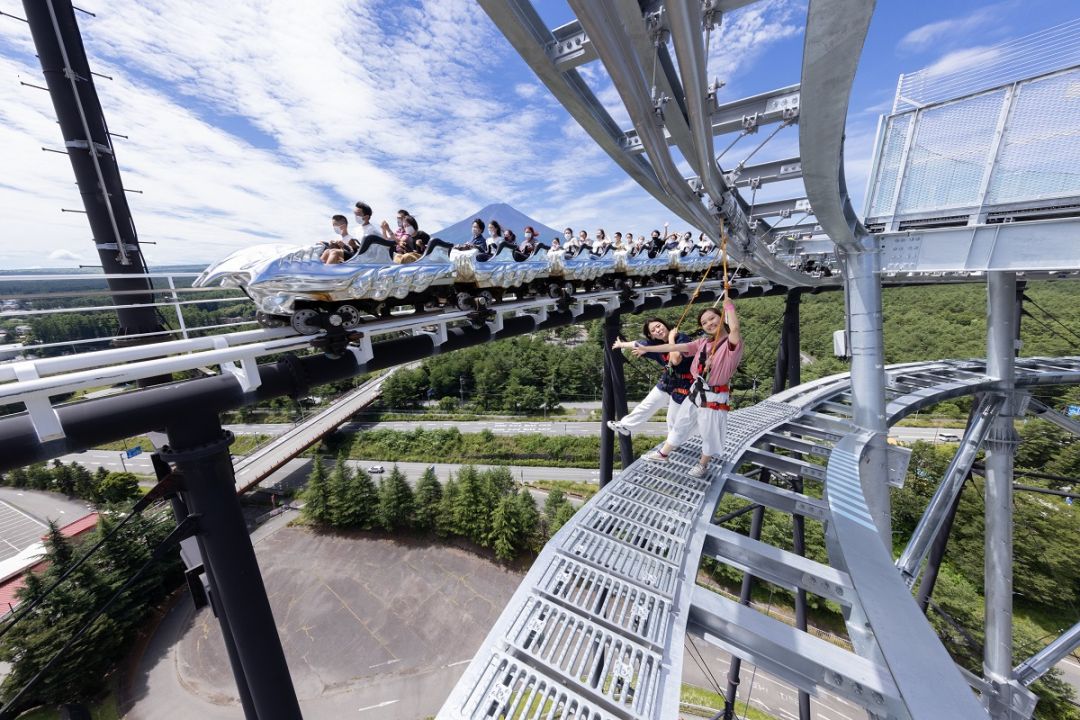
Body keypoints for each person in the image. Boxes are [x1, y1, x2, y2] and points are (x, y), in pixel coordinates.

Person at [616, 301, 743, 479]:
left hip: (714, 394)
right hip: (697, 389)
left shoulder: (730, 344)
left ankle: (702, 464)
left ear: (722, 318)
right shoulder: (702, 343)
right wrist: (646, 348)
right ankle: (663, 454)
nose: (709, 324)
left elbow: (735, 329)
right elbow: (672, 347)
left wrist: (729, 308)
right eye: (704, 322)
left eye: (712, 319)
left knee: (709, 431)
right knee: (681, 422)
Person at [608, 318, 694, 437]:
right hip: (668, 380)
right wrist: (621, 344)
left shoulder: (681, 338)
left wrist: (670, 339)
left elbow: (675, 360)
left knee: (672, 418)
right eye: (653, 330)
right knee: (647, 404)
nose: (658, 330)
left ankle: (674, 442)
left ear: (665, 324)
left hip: (684, 384)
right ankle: (626, 426)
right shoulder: (654, 345)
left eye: (659, 326)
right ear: (651, 335)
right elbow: (637, 343)